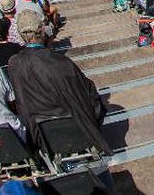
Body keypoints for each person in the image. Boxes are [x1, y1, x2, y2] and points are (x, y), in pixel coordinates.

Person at [7, 10, 109, 155]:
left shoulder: (14, 63)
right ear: (42, 31)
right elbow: (86, 91)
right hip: (71, 124)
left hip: (40, 132)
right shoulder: (59, 61)